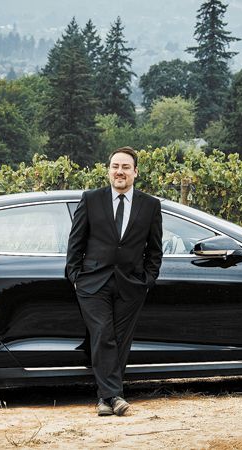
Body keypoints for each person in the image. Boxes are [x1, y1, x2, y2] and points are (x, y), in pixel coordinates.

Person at [65, 146, 163, 416]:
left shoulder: (150, 205)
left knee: (121, 339)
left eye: (125, 167)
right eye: (115, 166)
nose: (119, 172)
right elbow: (76, 243)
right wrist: (75, 276)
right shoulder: (90, 199)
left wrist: (148, 279)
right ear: (108, 170)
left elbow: (154, 249)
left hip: (131, 284)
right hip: (92, 283)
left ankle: (105, 399)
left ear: (135, 172)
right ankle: (115, 397)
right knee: (103, 335)